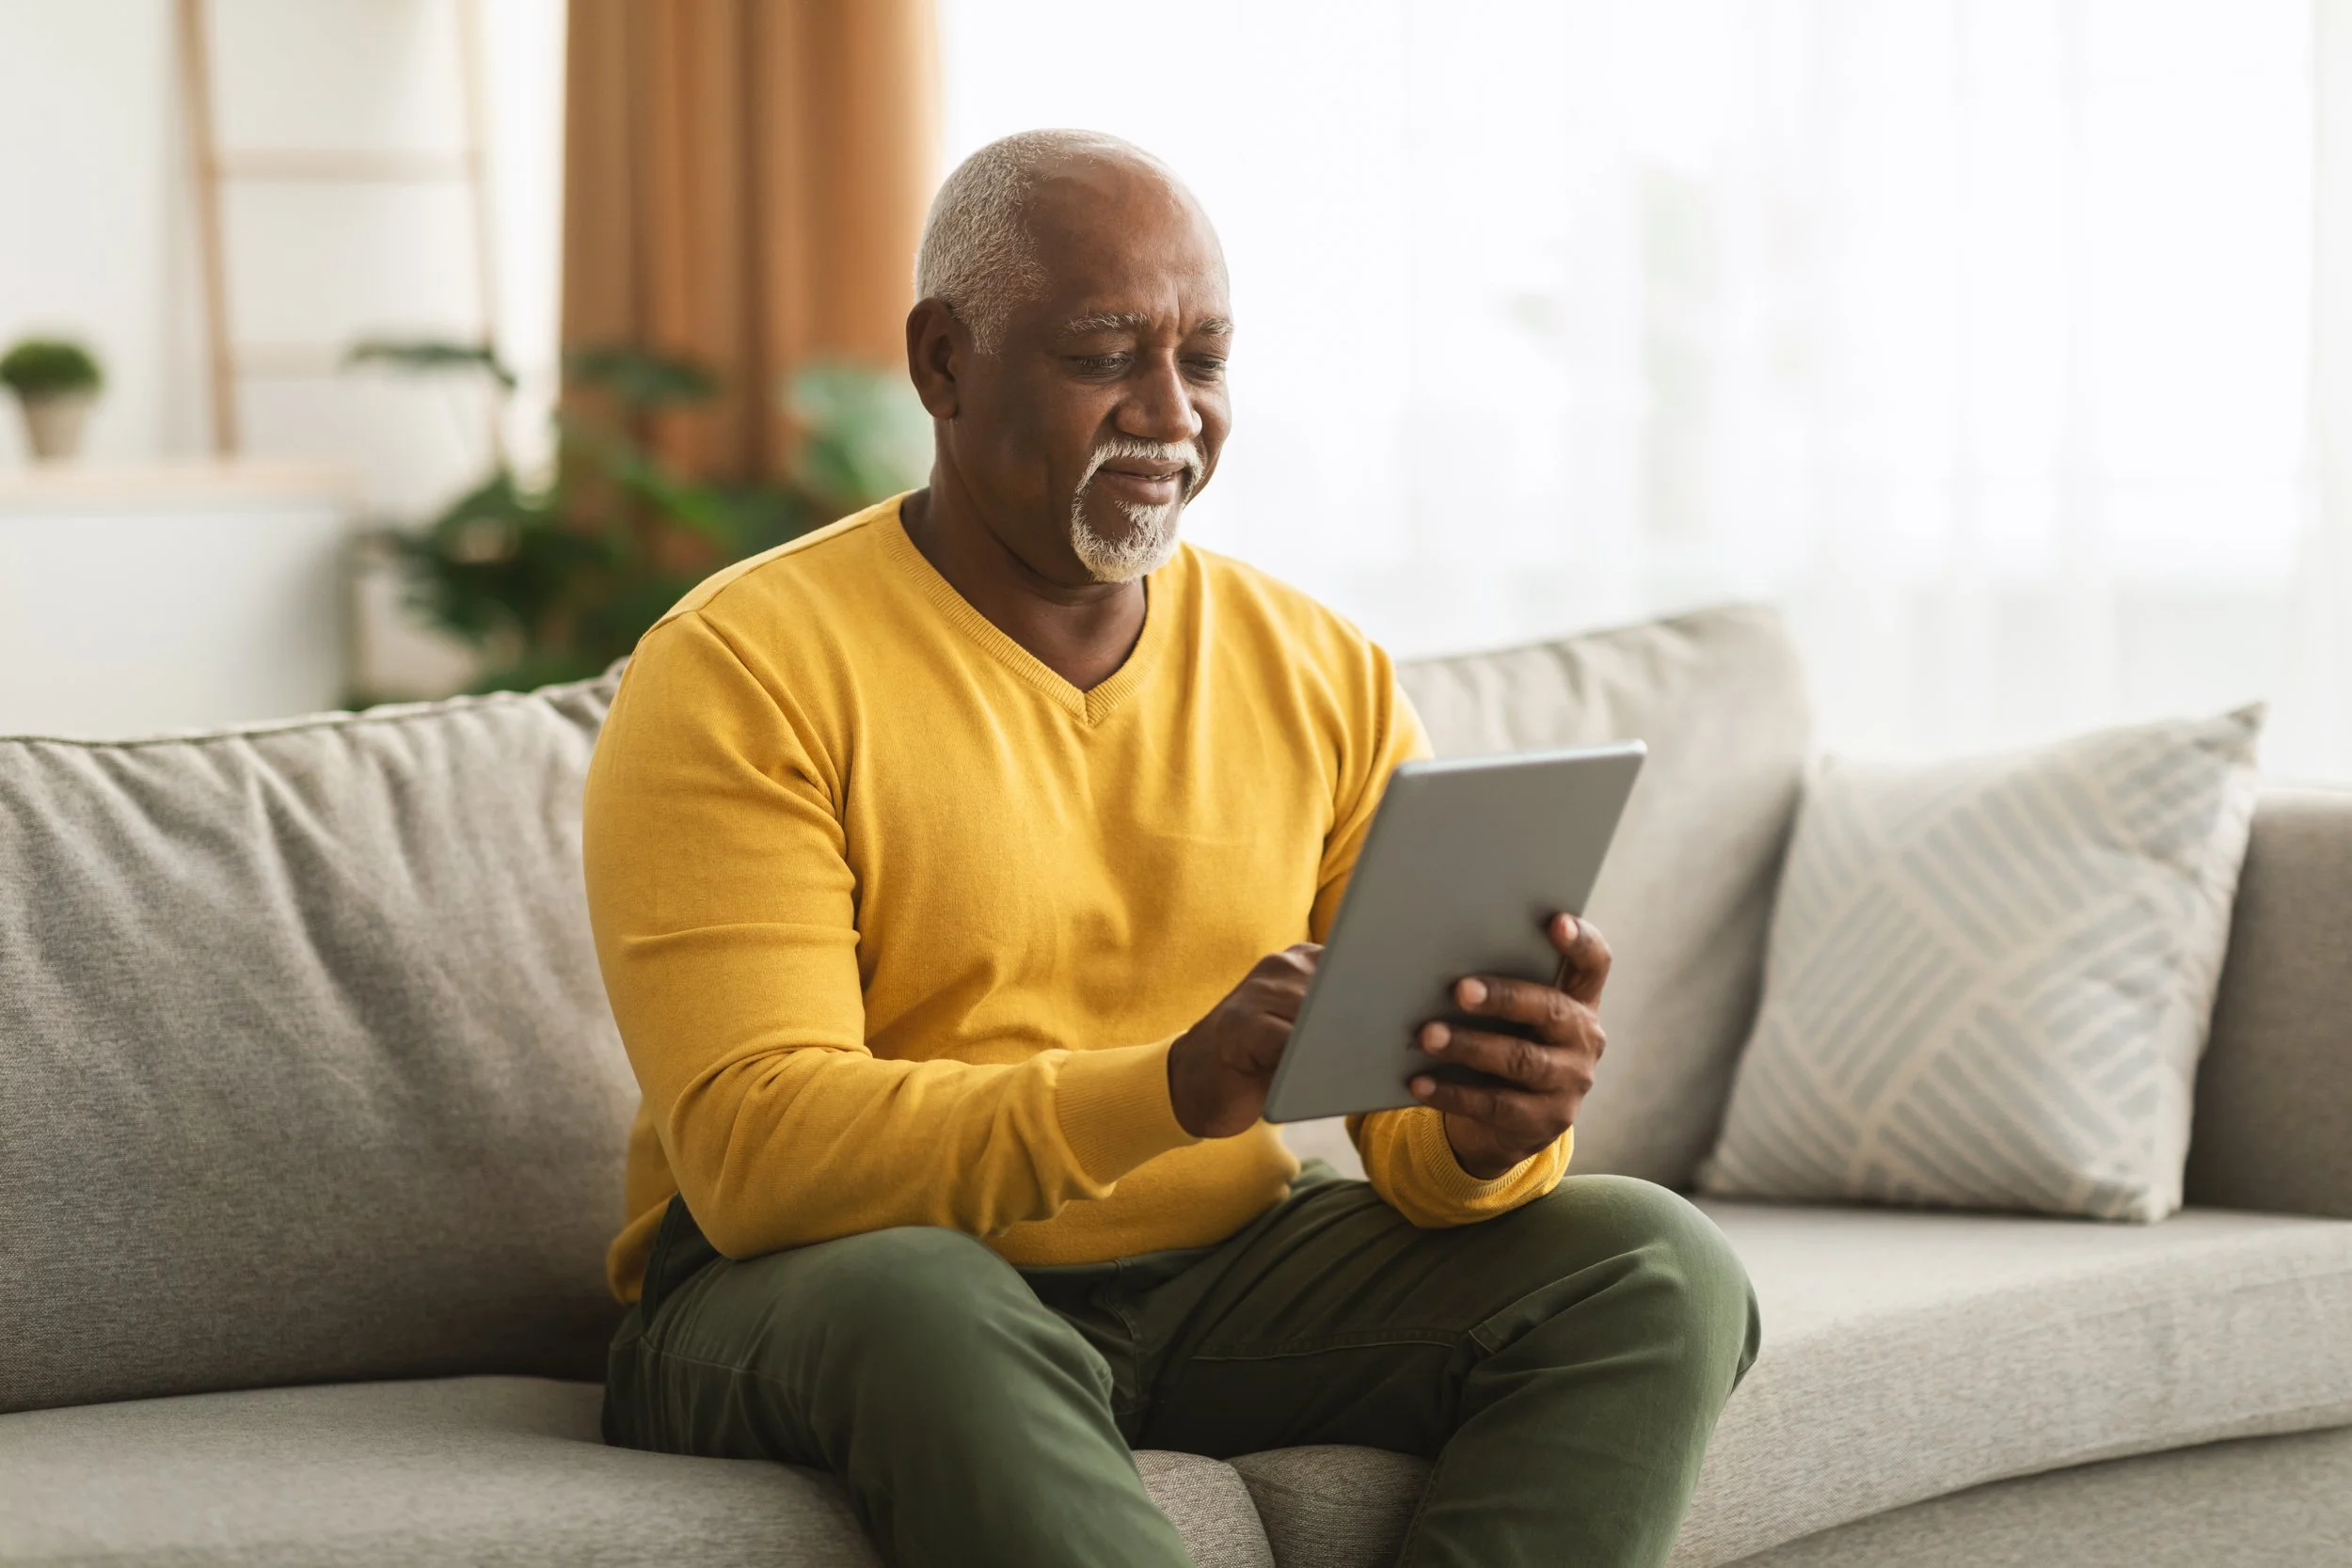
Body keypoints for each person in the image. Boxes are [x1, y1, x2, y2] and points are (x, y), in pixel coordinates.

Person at [584, 128, 1758, 1568]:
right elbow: (760, 1154)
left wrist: (1484, 1125)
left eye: (1202, 360)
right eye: (1103, 355)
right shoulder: (739, 665)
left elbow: (1409, 1139)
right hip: (819, 1286)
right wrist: (1165, 1087)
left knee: (1649, 1258)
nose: (1169, 414)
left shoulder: (1318, 665)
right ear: (944, 363)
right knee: (926, 1302)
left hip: (1215, 1277)